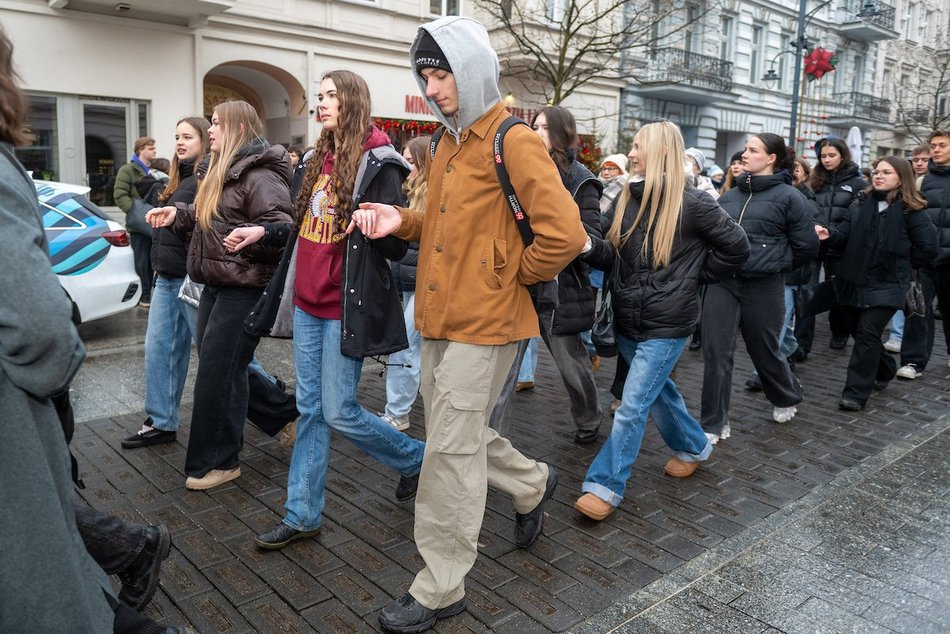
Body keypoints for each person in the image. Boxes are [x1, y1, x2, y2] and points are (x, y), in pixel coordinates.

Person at [347, 17, 587, 632]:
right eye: (426, 77)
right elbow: (442, 225)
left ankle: (441, 584)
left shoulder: (514, 139)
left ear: (474, 70)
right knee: (457, 435)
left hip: (488, 322)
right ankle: (532, 482)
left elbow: (567, 235)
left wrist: (508, 275)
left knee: (448, 453)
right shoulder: (450, 140)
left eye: (443, 74)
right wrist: (400, 220)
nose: (434, 88)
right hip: (440, 316)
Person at [0, 27, 185, 634]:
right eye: (173, 138)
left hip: (191, 275)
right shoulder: (158, 173)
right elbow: (128, 199)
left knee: (50, 579)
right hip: (162, 262)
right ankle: (157, 439)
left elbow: (41, 330)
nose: (178, 145)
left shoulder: (187, 173)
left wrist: (174, 215)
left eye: (188, 136)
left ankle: (144, 523)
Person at [232, 70, 426, 550]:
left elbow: (397, 250)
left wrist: (382, 226)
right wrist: (265, 232)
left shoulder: (381, 162)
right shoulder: (317, 158)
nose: (321, 104)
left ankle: (416, 459)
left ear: (353, 100)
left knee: (340, 411)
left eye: (330, 96)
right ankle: (301, 515)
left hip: (345, 307)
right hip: (306, 303)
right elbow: (303, 230)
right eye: (318, 97)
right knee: (311, 409)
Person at [573, 120, 750, 521]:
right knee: (660, 393)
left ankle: (605, 485)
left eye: (637, 146)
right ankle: (694, 446)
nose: (631, 154)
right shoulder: (624, 200)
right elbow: (607, 253)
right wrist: (584, 244)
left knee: (632, 405)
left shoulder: (695, 203)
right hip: (629, 320)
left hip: (668, 325)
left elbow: (737, 248)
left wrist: (693, 276)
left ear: (659, 151)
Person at [145, 100, 293, 490]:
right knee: (223, 367)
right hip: (215, 283)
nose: (211, 130)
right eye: (209, 123)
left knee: (217, 372)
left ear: (239, 129)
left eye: (216, 124)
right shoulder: (217, 171)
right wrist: (178, 215)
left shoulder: (260, 176)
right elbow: (204, 217)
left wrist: (258, 234)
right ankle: (284, 415)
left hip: (245, 287)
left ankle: (219, 461)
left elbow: (282, 227)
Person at [488, 105, 603, 443]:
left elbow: (591, 238)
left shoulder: (581, 180)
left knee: (571, 365)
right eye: (533, 126)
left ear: (561, 133)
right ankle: (491, 439)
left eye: (542, 127)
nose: (534, 132)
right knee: (504, 369)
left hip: (562, 287)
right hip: (520, 284)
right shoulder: (520, 168)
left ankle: (589, 419)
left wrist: (556, 240)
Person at [700, 133, 818, 443]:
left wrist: (773, 261)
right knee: (716, 351)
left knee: (763, 349)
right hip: (723, 283)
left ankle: (786, 395)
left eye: (753, 150)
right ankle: (713, 423)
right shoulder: (728, 197)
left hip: (764, 285)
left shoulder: (791, 197)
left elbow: (806, 246)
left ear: (771, 159)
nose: (744, 155)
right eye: (745, 150)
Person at [816, 156, 937, 410]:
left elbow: (927, 247)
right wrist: (828, 235)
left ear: (901, 177)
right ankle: (885, 368)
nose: (878, 176)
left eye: (886, 172)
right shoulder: (860, 204)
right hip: (854, 279)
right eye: (877, 171)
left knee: (867, 334)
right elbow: (844, 235)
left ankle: (855, 394)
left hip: (888, 283)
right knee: (858, 331)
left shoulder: (911, 210)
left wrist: (900, 264)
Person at [381, 135, 431, 431]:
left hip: (423, 283)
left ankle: (398, 412)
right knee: (413, 346)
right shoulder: (403, 192)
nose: (404, 165)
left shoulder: (432, 195)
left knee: (406, 345)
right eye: (403, 159)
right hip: (407, 281)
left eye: (411, 161)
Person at [800, 137, 865, 352]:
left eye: (832, 155)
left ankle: (840, 331)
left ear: (842, 155)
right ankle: (802, 343)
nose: (826, 160)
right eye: (823, 156)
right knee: (807, 292)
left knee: (838, 291)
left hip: (841, 245)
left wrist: (837, 233)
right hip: (815, 242)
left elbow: (856, 215)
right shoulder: (815, 180)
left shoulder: (857, 182)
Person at [902, 129, 950, 375]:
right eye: (933, 146)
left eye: (942, 145)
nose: (936, 150)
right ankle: (913, 362)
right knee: (917, 309)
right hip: (925, 257)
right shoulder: (923, 180)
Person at [114, 135, 158, 306]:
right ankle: (144, 295)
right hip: (139, 225)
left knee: (151, 260)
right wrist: (135, 213)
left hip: (153, 222)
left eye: (154, 148)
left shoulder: (153, 171)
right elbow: (119, 195)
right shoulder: (128, 170)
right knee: (140, 261)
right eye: (151, 148)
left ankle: (151, 293)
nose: (155, 151)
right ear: (141, 150)